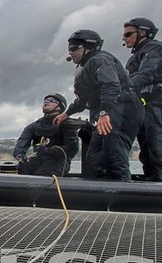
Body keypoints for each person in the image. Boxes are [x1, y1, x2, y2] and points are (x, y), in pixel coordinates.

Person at [53, 29, 143, 181]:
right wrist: (67, 113)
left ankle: (121, 191)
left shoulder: (100, 60)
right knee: (95, 156)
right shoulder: (87, 66)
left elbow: (111, 85)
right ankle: (105, 189)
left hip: (120, 109)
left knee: (114, 155)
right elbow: (85, 98)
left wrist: (104, 113)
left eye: (75, 48)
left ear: (89, 47)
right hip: (108, 112)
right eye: (69, 49)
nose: (71, 52)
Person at [123, 17, 162, 182]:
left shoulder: (155, 48)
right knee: (146, 150)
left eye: (128, 34)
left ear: (143, 32)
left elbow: (146, 73)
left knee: (158, 147)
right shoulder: (135, 57)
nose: (124, 38)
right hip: (142, 106)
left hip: (157, 104)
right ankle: (154, 181)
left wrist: (124, 90)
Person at [12, 93, 81, 176]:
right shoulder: (34, 126)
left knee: (43, 173)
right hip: (38, 160)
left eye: (51, 101)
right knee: (21, 168)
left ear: (59, 107)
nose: (46, 102)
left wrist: (48, 150)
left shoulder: (67, 125)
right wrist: (20, 155)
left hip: (58, 162)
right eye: (46, 100)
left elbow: (72, 149)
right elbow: (21, 143)